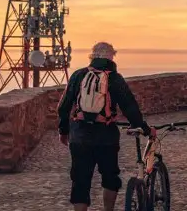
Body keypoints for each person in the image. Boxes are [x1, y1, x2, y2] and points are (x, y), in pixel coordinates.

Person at [57, 42, 154, 211]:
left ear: (92, 56)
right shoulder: (115, 78)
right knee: (110, 177)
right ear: (111, 57)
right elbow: (130, 107)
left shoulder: (78, 75)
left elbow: (64, 107)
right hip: (106, 137)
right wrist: (144, 128)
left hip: (80, 136)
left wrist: (63, 131)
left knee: (80, 181)